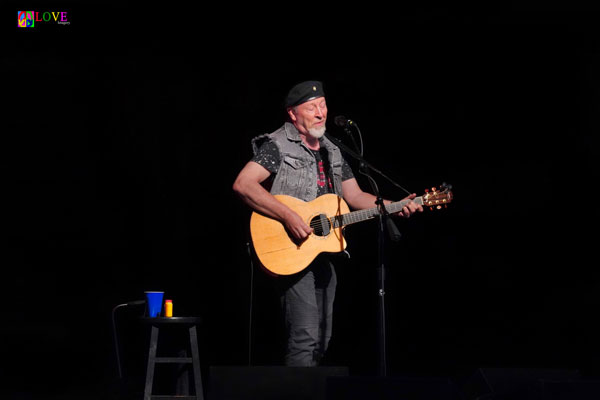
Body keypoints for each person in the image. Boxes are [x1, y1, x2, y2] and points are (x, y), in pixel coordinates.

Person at [232, 80, 423, 367]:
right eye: (312, 108)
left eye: (323, 105)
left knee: (322, 339)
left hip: (322, 251)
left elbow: (355, 195)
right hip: (290, 248)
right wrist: (288, 215)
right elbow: (243, 184)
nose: (320, 113)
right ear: (293, 114)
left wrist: (394, 206)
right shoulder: (278, 145)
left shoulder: (332, 150)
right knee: (305, 336)